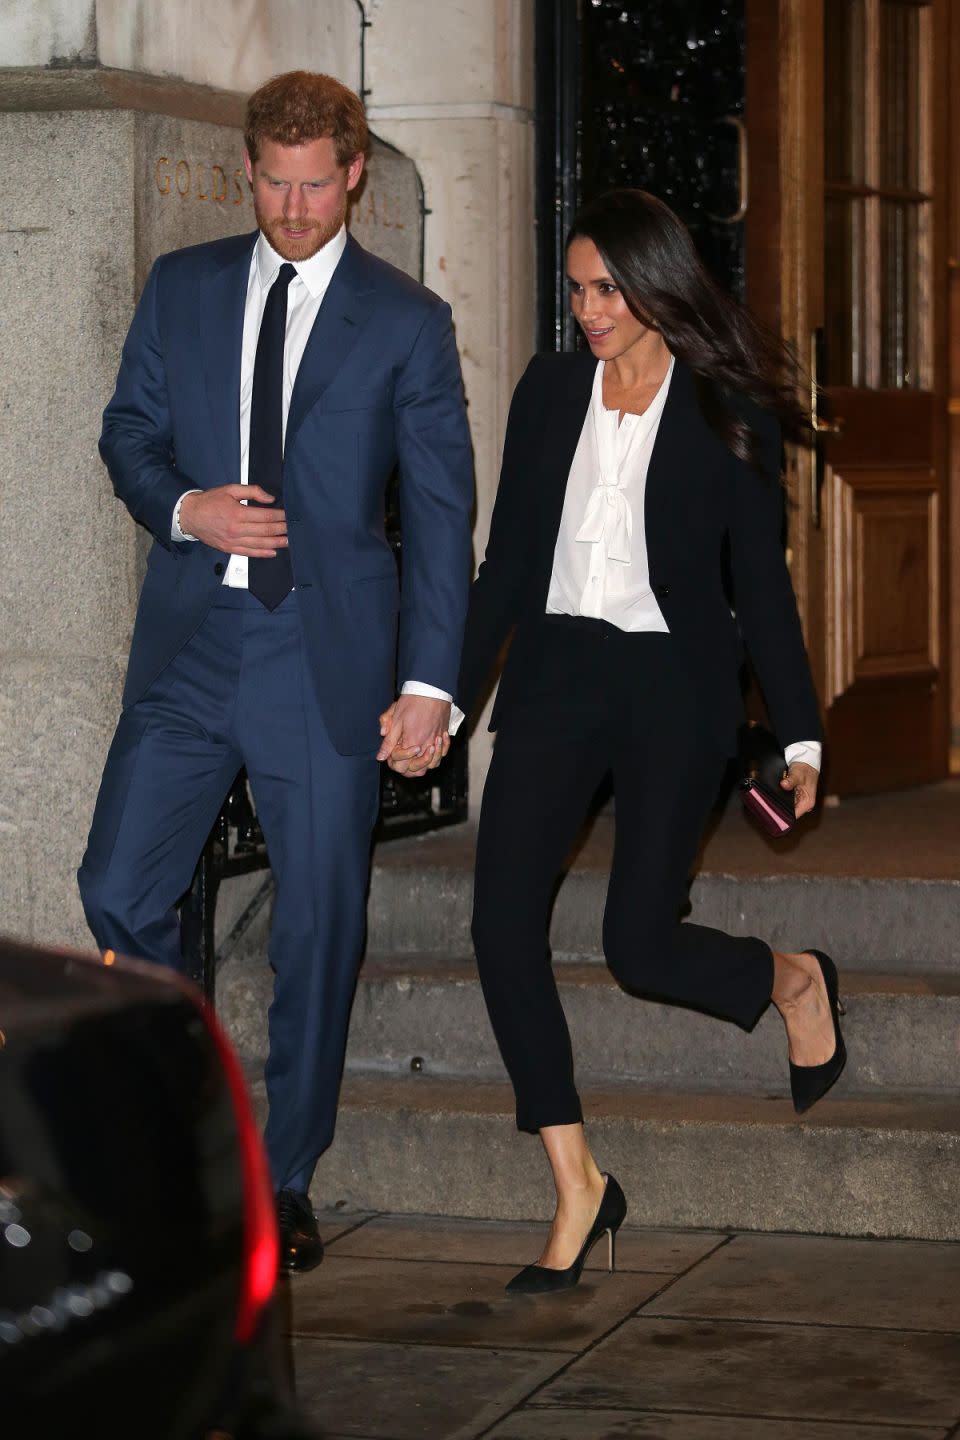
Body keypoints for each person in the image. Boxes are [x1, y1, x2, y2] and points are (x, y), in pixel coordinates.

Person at [387, 188, 844, 1295]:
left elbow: (765, 595)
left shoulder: (726, 406)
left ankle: (789, 980)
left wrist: (803, 741)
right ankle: (576, 1181)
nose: (590, 310)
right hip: (555, 676)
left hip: (673, 689)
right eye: (579, 288)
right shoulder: (550, 392)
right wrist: (437, 692)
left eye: (609, 289)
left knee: (639, 948)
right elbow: (504, 569)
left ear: (658, 285)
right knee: (501, 923)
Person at [78, 70, 473, 1272]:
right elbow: (127, 434)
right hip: (195, 648)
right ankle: (192, 1132)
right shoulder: (183, 289)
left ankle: (285, 1171)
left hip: (324, 662)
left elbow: (445, 517)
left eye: (317, 185)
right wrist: (187, 507)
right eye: (275, 183)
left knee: (316, 926)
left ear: (352, 173)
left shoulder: (407, 321)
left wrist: (431, 682)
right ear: (248, 169)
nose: (295, 208)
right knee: (117, 885)